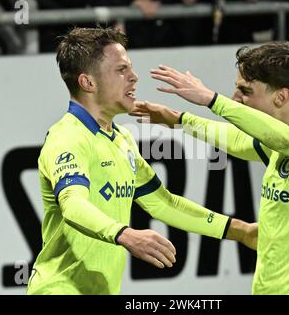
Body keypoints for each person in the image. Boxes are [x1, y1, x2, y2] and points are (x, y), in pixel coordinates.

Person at [26, 26, 255, 295]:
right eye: (121, 70)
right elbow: (73, 205)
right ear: (88, 82)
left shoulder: (120, 139)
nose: (134, 77)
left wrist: (241, 231)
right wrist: (126, 234)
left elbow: (163, 203)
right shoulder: (68, 138)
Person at [130, 42, 289, 294]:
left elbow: (283, 139)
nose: (235, 98)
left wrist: (212, 101)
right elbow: (239, 140)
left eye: (245, 91)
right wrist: (179, 120)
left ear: (281, 97)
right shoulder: (282, 146)